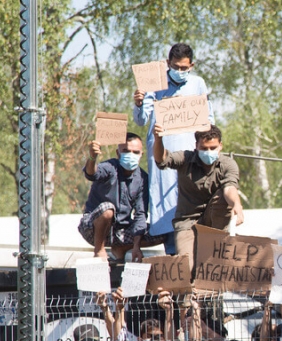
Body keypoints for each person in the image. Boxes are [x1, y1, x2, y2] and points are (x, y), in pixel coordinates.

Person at [133, 42, 214, 254]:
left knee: (191, 200)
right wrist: (139, 103)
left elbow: (209, 119)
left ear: (192, 65)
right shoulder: (155, 84)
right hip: (163, 154)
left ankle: (195, 253)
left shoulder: (198, 84)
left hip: (190, 155)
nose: (180, 72)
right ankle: (173, 256)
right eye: (175, 67)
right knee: (165, 203)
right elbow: (141, 121)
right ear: (168, 63)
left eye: (184, 68)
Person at [152, 123, 244, 268]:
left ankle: (217, 241)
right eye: (204, 148)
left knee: (224, 198)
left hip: (215, 221)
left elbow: (229, 189)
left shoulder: (228, 165)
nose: (208, 152)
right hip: (187, 222)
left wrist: (236, 205)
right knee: (187, 268)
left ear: (221, 146)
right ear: (196, 146)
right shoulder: (185, 158)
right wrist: (158, 139)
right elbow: (161, 159)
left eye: (213, 148)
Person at [78, 132, 164, 261]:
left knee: (162, 231)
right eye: (126, 151)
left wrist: (136, 247)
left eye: (135, 152)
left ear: (141, 155)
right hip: (93, 229)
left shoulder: (142, 178)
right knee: (107, 209)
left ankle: (121, 248)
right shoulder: (110, 167)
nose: (131, 155)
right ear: (118, 153)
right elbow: (92, 174)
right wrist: (92, 157)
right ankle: (99, 251)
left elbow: (140, 214)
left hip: (121, 232)